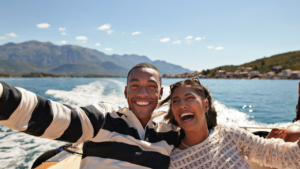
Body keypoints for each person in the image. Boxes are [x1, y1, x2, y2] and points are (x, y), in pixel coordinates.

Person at [0, 62, 183, 169]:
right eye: (135, 86)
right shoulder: (103, 118)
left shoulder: (172, 133)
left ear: (160, 94)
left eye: (151, 87)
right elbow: (49, 115)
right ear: (126, 92)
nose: (142, 93)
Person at [158, 77, 300, 169]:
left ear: (206, 105)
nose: (182, 105)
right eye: (175, 101)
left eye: (189, 98)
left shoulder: (229, 134)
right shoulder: (173, 162)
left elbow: (290, 157)